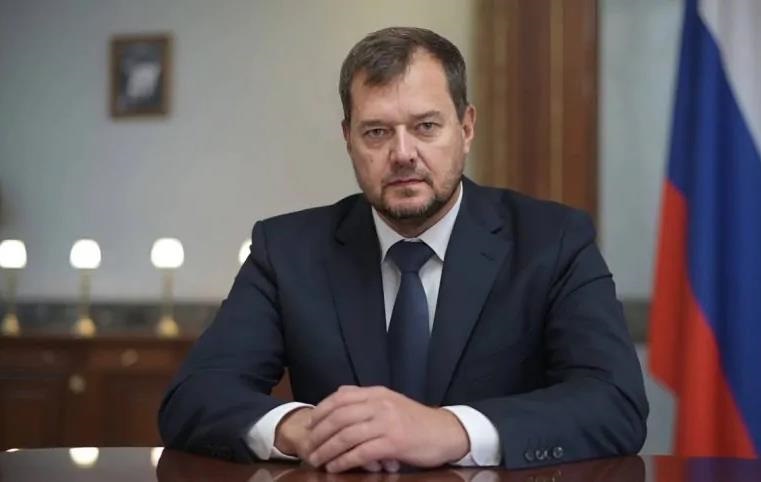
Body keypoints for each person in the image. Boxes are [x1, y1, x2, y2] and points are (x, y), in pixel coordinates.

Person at [158, 26, 648, 472]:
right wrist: (302, 427)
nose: (403, 154)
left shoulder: (553, 240)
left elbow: (615, 402)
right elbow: (193, 396)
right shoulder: (286, 250)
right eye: (377, 132)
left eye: (426, 126)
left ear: (466, 128)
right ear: (348, 139)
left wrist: (451, 430)